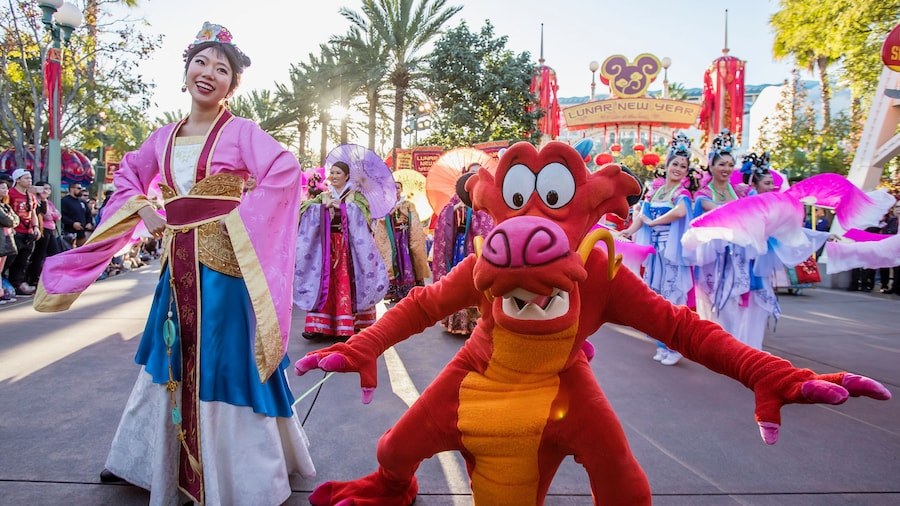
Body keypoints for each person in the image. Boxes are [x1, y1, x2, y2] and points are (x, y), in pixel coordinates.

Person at [34, 22, 315, 504]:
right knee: (169, 354)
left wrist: (237, 221)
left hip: (223, 270)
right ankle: (147, 460)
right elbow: (127, 178)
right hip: (175, 264)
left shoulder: (243, 132)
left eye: (221, 69)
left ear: (233, 83)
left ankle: (239, 478)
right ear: (185, 71)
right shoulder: (160, 138)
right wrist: (143, 207)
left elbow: (285, 172)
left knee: (222, 356)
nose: (208, 73)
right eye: (200, 63)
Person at [619, 134, 694, 365]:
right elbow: (642, 215)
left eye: (683, 166)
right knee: (657, 296)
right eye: (675, 164)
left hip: (671, 254)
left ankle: (674, 346)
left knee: (672, 297)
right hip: (656, 256)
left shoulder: (682, 194)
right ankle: (662, 342)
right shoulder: (656, 192)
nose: (679, 169)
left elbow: (681, 211)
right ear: (667, 164)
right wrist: (629, 231)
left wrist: (656, 222)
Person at [294, 159, 388, 341]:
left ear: (347, 176)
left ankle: (349, 325)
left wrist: (344, 209)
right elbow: (304, 209)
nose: (335, 176)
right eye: (333, 173)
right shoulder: (323, 196)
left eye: (339, 173)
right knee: (323, 284)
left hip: (349, 248)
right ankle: (319, 326)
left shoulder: (356, 197)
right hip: (326, 248)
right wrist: (322, 208)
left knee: (347, 282)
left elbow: (365, 217)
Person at [691, 133, 753, 342]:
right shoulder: (703, 194)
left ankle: (733, 344)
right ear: (711, 166)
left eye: (730, 164)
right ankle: (717, 343)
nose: (726, 169)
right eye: (721, 164)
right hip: (713, 257)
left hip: (736, 255)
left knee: (732, 300)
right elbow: (718, 213)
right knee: (711, 300)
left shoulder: (740, 191)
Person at [431, 169, 494, 335]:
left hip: (477, 247)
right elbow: (445, 218)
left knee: (477, 281)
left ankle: (477, 320)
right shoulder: (454, 201)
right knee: (460, 281)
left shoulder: (484, 200)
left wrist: (473, 213)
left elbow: (488, 224)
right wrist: (455, 211)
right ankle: (459, 321)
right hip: (459, 248)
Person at [375, 181, 431, 303]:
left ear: (402, 189)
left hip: (405, 236)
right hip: (393, 237)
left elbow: (414, 218)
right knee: (393, 261)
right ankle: (395, 291)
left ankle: (408, 289)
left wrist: (404, 211)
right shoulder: (386, 204)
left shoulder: (408, 204)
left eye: (398, 188)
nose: (396, 190)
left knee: (407, 260)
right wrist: (388, 214)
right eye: (394, 188)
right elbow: (381, 222)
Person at [5, 168, 39, 295]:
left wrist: (36, 227)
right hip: (14, 232)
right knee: (10, 259)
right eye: (26, 178)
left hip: (28, 232)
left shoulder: (30, 196)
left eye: (30, 178)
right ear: (17, 180)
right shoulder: (10, 194)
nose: (29, 180)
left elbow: (33, 213)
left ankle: (17, 284)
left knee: (23, 261)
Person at [25, 181, 62, 287]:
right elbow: (46, 215)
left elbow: (57, 216)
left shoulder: (49, 202)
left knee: (55, 253)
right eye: (44, 188)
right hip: (42, 229)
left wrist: (52, 214)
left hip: (51, 230)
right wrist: (51, 214)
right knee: (39, 254)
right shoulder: (36, 200)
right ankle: (34, 277)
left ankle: (53, 276)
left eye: (49, 189)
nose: (46, 191)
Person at [0, 178, 19, 304]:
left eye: (6, 188)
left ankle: (1, 292)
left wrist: (12, 220)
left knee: (0, 269)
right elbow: (9, 221)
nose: (5, 190)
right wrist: (11, 220)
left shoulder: (6, 206)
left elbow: (15, 219)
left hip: (6, 240)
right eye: (2, 188)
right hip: (1, 239)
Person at [878, 206, 899, 294]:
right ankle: (894, 287)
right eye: (897, 207)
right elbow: (886, 230)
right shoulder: (893, 220)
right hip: (894, 247)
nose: (898, 209)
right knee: (895, 268)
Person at [60, 182, 88, 247]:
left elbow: (88, 213)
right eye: (79, 188)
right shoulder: (64, 201)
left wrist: (89, 223)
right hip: (69, 233)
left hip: (82, 233)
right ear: (72, 189)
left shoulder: (82, 202)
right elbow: (62, 216)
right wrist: (72, 223)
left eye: (81, 188)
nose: (81, 190)